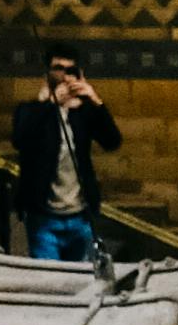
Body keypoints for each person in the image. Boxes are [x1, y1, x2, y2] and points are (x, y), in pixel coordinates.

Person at [9, 47, 117, 266]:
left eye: (70, 70)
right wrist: (50, 104)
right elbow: (20, 138)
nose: (64, 75)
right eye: (58, 68)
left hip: (80, 217)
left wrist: (95, 99)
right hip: (44, 219)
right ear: (47, 73)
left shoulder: (82, 113)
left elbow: (112, 141)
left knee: (81, 280)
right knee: (49, 281)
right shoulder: (31, 110)